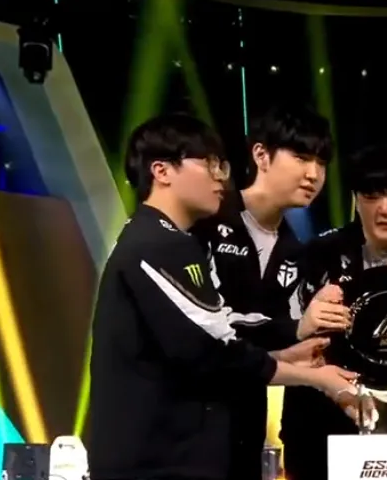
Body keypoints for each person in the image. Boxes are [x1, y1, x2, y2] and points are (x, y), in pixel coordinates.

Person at [88, 114, 365, 480]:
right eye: (210, 164)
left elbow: (211, 339)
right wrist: (312, 373)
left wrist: (291, 345)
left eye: (321, 162)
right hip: (161, 452)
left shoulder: (295, 250)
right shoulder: (170, 239)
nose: (220, 176)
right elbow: (214, 344)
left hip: (219, 441)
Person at [189, 104, 343, 479]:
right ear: (261, 154)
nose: (313, 174)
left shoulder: (296, 251)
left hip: (245, 424)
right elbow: (206, 327)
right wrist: (297, 329)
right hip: (185, 422)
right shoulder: (205, 220)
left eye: (321, 163)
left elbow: (272, 344)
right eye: (301, 157)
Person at [280, 141, 387, 480]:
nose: (385, 209)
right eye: (371, 196)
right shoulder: (314, 257)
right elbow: (281, 337)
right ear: (355, 198)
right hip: (317, 434)